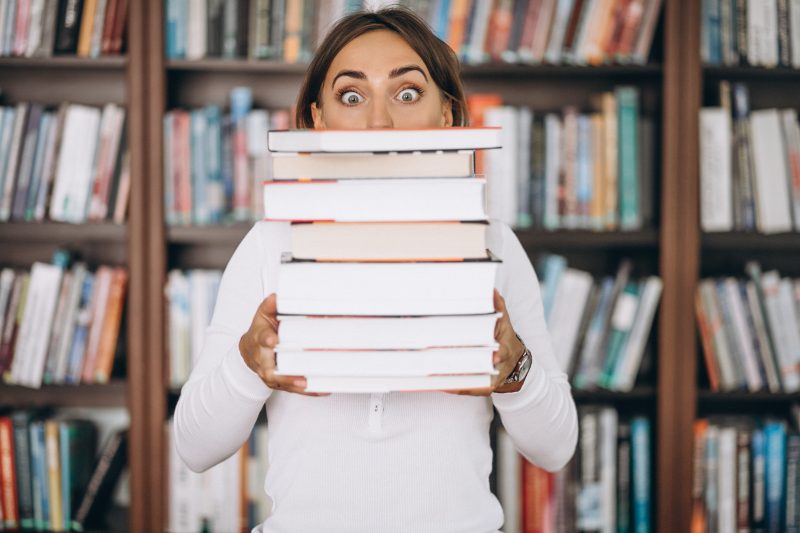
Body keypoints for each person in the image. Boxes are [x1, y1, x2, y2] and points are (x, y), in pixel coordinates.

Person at [173, 7, 578, 533]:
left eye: (407, 94)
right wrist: (248, 364)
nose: (379, 122)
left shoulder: (491, 244)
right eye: (350, 95)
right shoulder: (270, 243)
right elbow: (193, 447)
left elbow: (556, 448)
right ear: (318, 119)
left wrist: (515, 371)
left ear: (449, 117)